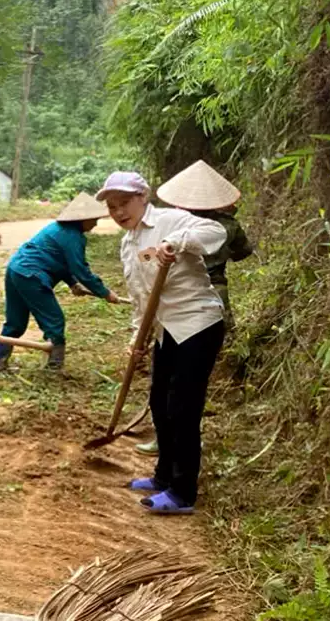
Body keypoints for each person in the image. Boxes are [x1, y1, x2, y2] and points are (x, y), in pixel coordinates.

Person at [97, 169, 230, 515]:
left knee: (182, 408)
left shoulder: (171, 220)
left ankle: (183, 492)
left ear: (144, 198)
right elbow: (142, 297)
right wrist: (137, 338)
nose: (118, 212)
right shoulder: (128, 243)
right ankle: (163, 476)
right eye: (112, 207)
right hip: (166, 329)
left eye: (124, 203)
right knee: (159, 402)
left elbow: (216, 232)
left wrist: (176, 244)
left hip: (198, 323)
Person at [133, 160, 252, 457]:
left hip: (191, 299)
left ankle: (178, 444)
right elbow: (243, 254)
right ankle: (174, 439)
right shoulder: (223, 224)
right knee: (178, 380)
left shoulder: (183, 223)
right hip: (206, 293)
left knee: (181, 385)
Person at [0, 192, 122, 372]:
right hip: (31, 275)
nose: (95, 224)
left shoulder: (57, 229)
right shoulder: (73, 237)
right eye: (93, 220)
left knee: (15, 323)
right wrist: (105, 292)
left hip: (16, 269)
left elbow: (60, 262)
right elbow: (81, 270)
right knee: (54, 321)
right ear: (82, 219)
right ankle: (54, 368)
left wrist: (72, 283)